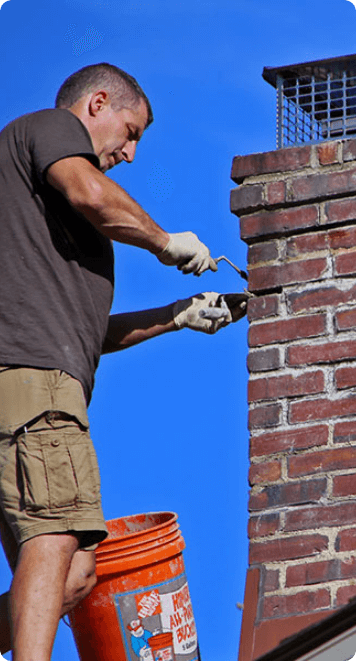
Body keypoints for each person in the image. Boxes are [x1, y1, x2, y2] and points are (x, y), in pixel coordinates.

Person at [0, 63, 247, 661]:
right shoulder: (50, 128)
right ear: (97, 103)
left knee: (78, 573)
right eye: (130, 131)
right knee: (57, 534)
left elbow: (88, 335)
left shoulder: (47, 237)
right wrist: (165, 241)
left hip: (34, 381)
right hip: (37, 389)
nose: (131, 153)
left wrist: (178, 314)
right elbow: (89, 192)